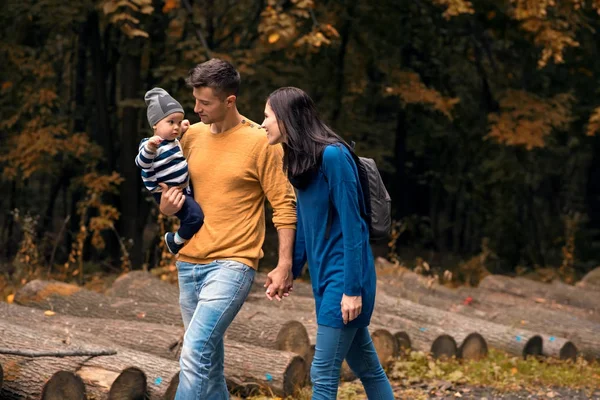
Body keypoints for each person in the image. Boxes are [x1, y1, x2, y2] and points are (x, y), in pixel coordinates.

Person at [158, 59, 297, 399]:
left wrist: (284, 264)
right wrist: (166, 207)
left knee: (192, 352)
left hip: (232, 265)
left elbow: (284, 206)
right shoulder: (190, 137)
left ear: (229, 101)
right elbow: (173, 196)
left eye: (204, 102)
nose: (196, 108)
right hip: (189, 264)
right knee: (208, 363)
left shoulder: (261, 143)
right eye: (195, 99)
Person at [261, 86, 394, 400]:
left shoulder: (333, 156)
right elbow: (307, 226)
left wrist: (351, 290)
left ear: (286, 118)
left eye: (267, 116)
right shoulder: (298, 159)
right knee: (368, 368)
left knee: (322, 374)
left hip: (345, 279)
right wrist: (290, 271)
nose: (262, 123)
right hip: (325, 280)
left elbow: (354, 227)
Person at [135, 87, 204, 255]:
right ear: (155, 124)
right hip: (168, 193)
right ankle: (175, 241)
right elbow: (141, 163)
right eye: (171, 122)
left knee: (198, 208)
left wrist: (184, 127)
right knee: (196, 217)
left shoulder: (173, 140)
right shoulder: (151, 143)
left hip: (182, 187)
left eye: (179, 122)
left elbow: (178, 140)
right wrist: (150, 148)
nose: (176, 127)